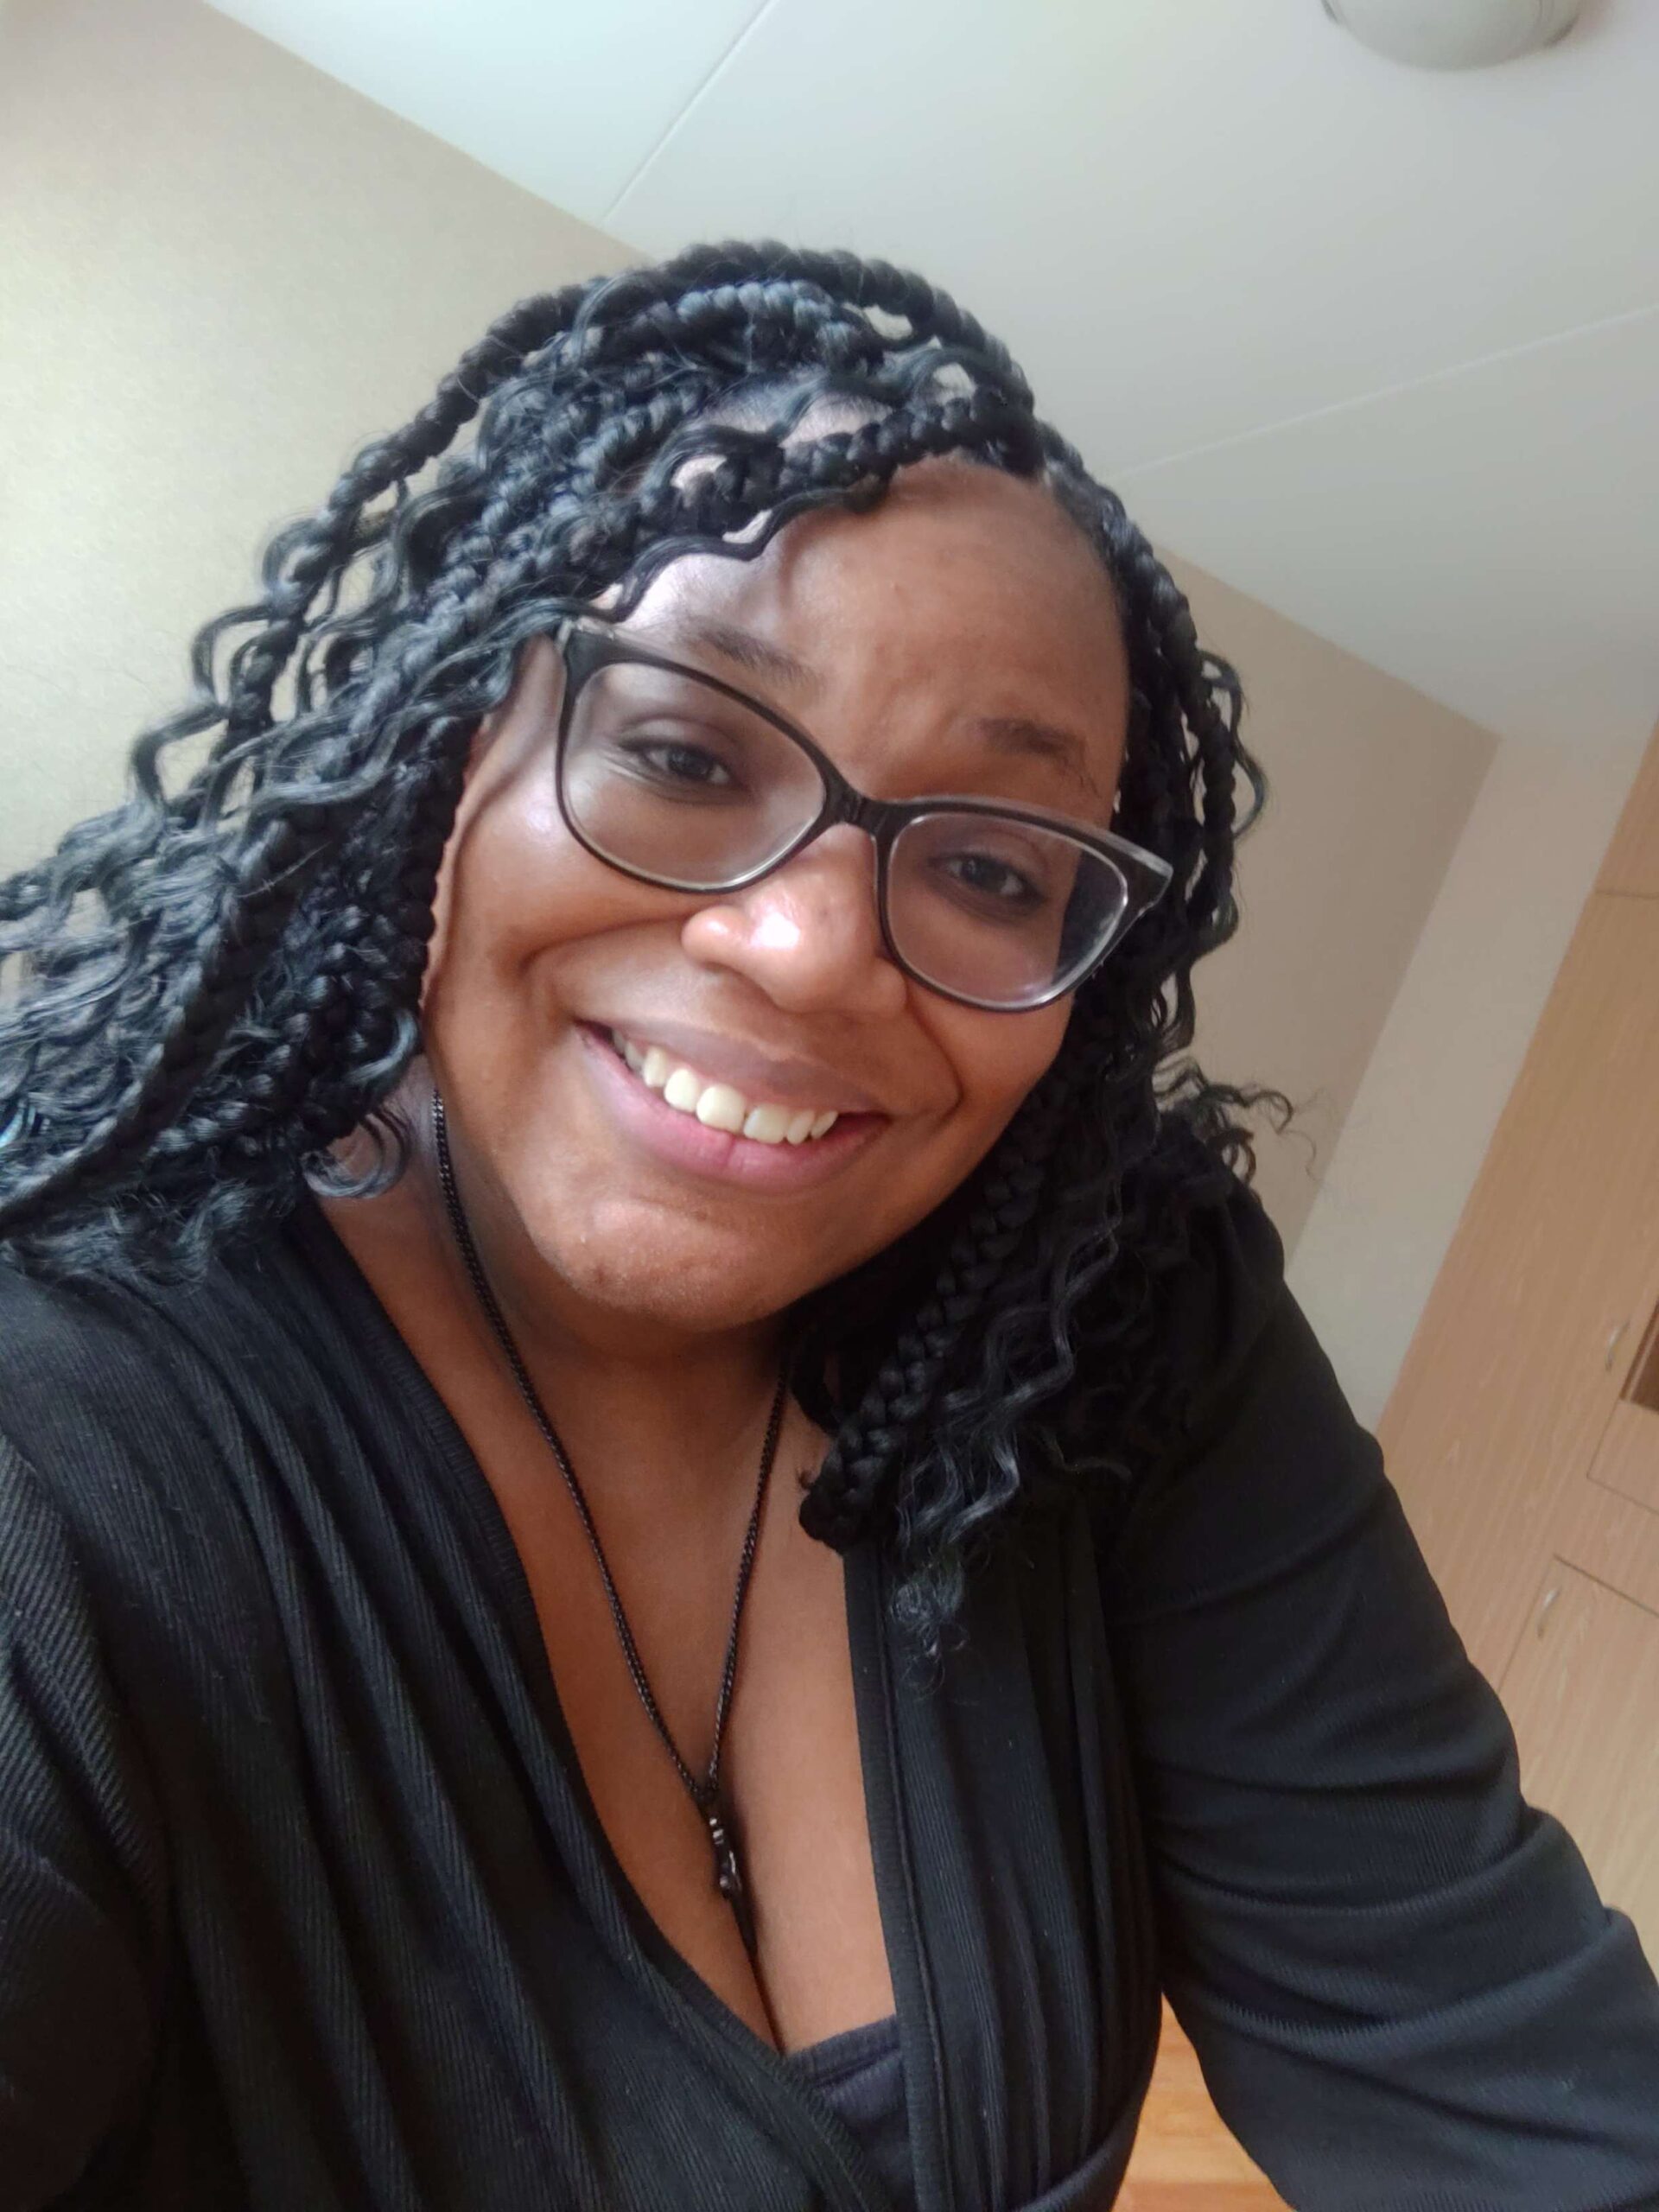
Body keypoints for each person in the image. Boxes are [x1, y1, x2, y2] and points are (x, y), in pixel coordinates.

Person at [0, 240, 1655, 2212]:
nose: (806, 947)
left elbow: (1498, 2063)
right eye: (686, 754)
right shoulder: (61, 1432)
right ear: (448, 743)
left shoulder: (1110, 1308)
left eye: (990, 865)